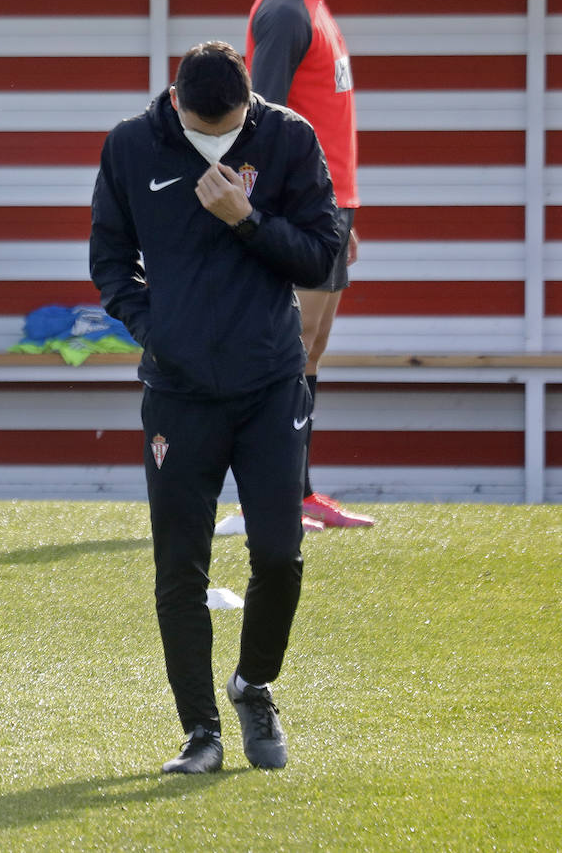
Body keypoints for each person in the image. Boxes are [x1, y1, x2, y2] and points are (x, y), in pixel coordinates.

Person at [89, 41, 341, 773]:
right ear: (176, 104)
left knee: (279, 556)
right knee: (180, 570)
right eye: (204, 132)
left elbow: (322, 256)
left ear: (250, 105)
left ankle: (253, 684)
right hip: (179, 390)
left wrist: (247, 218)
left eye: (229, 130)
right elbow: (109, 257)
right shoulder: (132, 145)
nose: (217, 142)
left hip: (268, 382)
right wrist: (155, 328)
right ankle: (200, 733)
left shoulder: (290, 137)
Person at [241, 0, 375, 529]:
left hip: (328, 208)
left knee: (308, 350)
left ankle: (298, 492)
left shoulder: (315, 6)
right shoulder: (285, 10)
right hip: (299, 210)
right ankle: (261, 500)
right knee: (279, 351)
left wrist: (344, 212)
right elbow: (260, 120)